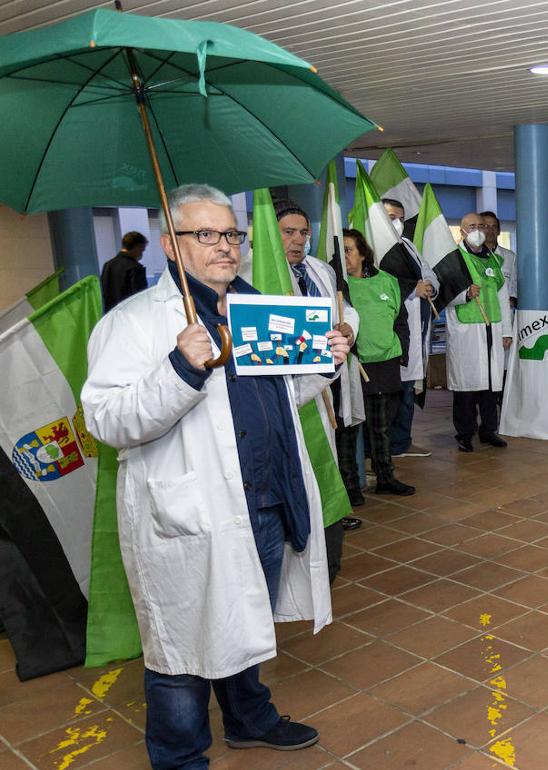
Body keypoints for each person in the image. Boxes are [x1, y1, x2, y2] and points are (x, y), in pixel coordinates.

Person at [81, 184, 350, 768]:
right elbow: (106, 419)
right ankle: (179, 756)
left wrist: (324, 359)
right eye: (205, 234)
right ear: (170, 245)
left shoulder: (258, 307)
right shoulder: (134, 323)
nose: (224, 246)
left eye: (230, 234)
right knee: (181, 648)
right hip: (193, 511)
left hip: (267, 498)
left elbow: (282, 395)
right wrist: (180, 366)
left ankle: (248, 718)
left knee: (243, 619)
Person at [275, 200, 362, 563]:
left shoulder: (320, 270)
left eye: (304, 232)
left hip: (325, 377)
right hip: (288, 383)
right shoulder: (254, 273)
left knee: (324, 450)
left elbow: (348, 308)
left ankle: (325, 519)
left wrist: (348, 328)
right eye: (288, 232)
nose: (298, 240)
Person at [341, 228, 416, 496]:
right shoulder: (337, 285)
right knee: (349, 428)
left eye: (349, 249)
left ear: (363, 253)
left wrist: (401, 353)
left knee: (382, 426)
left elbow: (401, 321)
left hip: (385, 364)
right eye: (340, 250)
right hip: (352, 364)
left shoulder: (387, 281)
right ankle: (350, 486)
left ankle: (386, 477)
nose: (344, 256)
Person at [442, 213, 512, 452]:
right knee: (467, 386)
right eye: (472, 226)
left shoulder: (493, 259)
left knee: (491, 385)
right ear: (461, 231)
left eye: (481, 225)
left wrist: (507, 330)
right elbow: (441, 295)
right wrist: (464, 295)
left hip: (492, 326)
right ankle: (464, 433)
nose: (478, 229)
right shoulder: (453, 260)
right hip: (467, 331)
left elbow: (503, 297)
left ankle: (488, 430)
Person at [379, 198, 438, 459]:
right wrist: (411, 289)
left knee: (408, 388)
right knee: (389, 392)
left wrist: (429, 287)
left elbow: (429, 274)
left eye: (401, 218)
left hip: (416, 328)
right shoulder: (374, 248)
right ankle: (383, 447)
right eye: (392, 216)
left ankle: (402, 441)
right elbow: (373, 285)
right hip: (391, 331)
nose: (398, 223)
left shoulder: (409, 246)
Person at [481, 210, 516, 407]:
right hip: (481, 318)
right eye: (485, 225)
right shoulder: (471, 258)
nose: (490, 230)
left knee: (502, 368)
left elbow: (516, 286)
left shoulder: (509, 257)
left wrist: (512, 298)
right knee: (483, 369)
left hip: (504, 320)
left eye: (494, 226)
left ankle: (502, 410)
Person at [100, 230, 149, 311]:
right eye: (142, 250)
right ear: (137, 246)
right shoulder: (135, 268)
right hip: (130, 314)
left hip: (111, 314)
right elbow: (140, 297)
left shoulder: (108, 265)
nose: (141, 254)